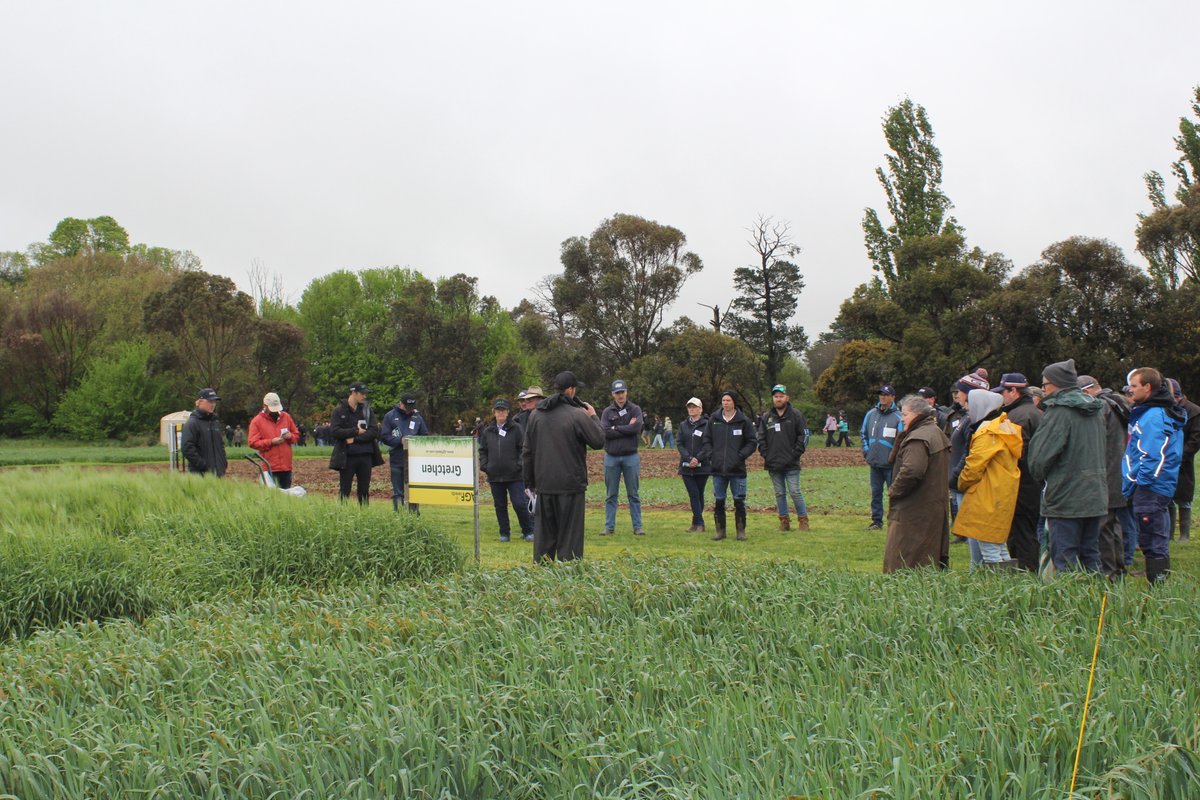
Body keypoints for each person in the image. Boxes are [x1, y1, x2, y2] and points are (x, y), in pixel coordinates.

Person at [1027, 359, 1107, 572]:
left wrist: (1040, 476)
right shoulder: (1096, 410)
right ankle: (1096, 602)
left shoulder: (1059, 412)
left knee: (1064, 556)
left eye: (1044, 385)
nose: (1043, 389)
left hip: (1065, 496)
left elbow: (1039, 459)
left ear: (1056, 384)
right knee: (1090, 554)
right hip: (1095, 493)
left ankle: (1067, 603)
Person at [522, 371, 606, 561]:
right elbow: (599, 440)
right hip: (571, 486)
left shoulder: (536, 415)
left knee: (544, 540)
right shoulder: (577, 414)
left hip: (544, 485)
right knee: (570, 540)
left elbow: (527, 452)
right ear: (569, 390)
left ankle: (542, 579)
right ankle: (568, 580)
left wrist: (530, 484)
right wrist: (593, 416)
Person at [1123, 367, 1186, 584]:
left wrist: (1142, 482)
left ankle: (1158, 587)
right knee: (1151, 534)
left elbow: (1153, 454)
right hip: (1153, 485)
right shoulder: (1152, 412)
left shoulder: (1153, 416)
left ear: (1147, 387)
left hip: (1151, 487)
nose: (1130, 391)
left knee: (1152, 537)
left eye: (1134, 386)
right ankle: (1158, 583)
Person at [951, 389, 1021, 569]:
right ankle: (1009, 585)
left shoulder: (987, 434)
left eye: (971, 405)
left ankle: (993, 587)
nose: (968, 409)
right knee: (999, 544)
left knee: (988, 546)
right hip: (1002, 492)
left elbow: (973, 467)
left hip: (986, 494)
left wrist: (959, 483)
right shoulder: (1005, 428)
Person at [883, 394, 951, 572]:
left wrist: (893, 491)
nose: (902, 419)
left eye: (905, 414)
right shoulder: (934, 431)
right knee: (928, 559)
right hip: (931, 505)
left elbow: (912, 471)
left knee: (904, 561)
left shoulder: (919, 438)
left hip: (915, 509)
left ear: (917, 414)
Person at [1079, 375, 1133, 579]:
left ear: (1086, 391)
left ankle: (1109, 572)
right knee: (1113, 524)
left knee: (1102, 526)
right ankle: (1118, 568)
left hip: (1106, 472)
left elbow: (1094, 440)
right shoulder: (1117, 402)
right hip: (1118, 471)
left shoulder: (1101, 407)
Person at [995, 372, 1043, 571]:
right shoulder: (1035, 412)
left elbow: (1015, 454)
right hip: (1034, 482)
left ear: (1013, 391)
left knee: (1021, 533)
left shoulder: (1017, 416)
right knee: (1027, 531)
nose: (1002, 397)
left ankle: (1026, 573)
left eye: (1004, 392)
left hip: (1021, 483)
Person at [702, 390, 758, 540]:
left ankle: (741, 531)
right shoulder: (714, 420)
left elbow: (752, 442)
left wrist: (740, 456)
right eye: (723, 400)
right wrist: (711, 456)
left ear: (734, 402)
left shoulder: (743, 421)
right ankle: (720, 531)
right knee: (719, 500)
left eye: (728, 400)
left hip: (737, 470)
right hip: (718, 469)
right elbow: (706, 440)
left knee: (739, 501)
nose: (725, 403)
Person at [479, 398, 534, 542]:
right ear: (494, 412)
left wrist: (519, 465)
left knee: (519, 504)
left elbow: (523, 448)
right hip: (495, 476)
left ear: (508, 412)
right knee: (500, 506)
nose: (501, 413)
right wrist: (485, 466)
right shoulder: (488, 430)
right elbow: (483, 450)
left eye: (503, 410)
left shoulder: (516, 428)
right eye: (498, 410)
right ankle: (504, 533)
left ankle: (528, 531)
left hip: (514, 475)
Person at [758, 384, 810, 531]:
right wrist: (765, 454)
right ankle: (784, 521)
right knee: (779, 493)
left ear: (787, 397)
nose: (778, 399)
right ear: (773, 398)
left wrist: (795, 453)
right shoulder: (767, 417)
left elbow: (804, 435)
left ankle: (803, 520)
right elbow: (760, 437)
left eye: (781, 396)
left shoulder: (796, 415)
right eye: (776, 396)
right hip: (773, 463)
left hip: (791, 463)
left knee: (794, 491)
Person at [599, 379, 645, 536]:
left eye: (622, 392)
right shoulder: (607, 412)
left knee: (633, 494)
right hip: (611, 457)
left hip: (631, 457)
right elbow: (605, 431)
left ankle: (638, 526)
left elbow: (636, 428)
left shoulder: (635, 409)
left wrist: (616, 427)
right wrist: (626, 428)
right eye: (617, 393)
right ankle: (609, 527)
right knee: (611, 494)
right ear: (613, 394)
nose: (620, 396)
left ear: (626, 392)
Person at [328, 381, 383, 505]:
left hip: (366, 455)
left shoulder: (367, 411)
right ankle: (342, 515)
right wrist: (355, 431)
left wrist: (355, 438)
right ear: (353, 393)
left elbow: (374, 431)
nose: (364, 396)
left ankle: (364, 515)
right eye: (362, 394)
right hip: (347, 456)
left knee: (364, 490)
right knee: (345, 489)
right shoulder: (339, 411)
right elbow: (335, 432)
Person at [861, 385, 902, 530]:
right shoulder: (871, 414)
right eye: (881, 394)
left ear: (893, 397)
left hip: (891, 464)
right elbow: (863, 434)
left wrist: (894, 457)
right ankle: (876, 521)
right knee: (876, 493)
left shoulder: (899, 417)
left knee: (894, 493)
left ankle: (895, 521)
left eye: (886, 394)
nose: (882, 397)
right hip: (875, 463)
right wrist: (867, 452)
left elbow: (901, 439)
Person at [381, 391, 430, 513]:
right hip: (397, 459)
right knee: (398, 491)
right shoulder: (390, 416)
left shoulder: (417, 417)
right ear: (401, 404)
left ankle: (414, 516)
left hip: (414, 461)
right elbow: (385, 436)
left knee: (413, 491)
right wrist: (400, 441)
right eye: (407, 407)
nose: (409, 410)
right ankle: (399, 516)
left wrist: (417, 442)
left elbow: (424, 435)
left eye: (411, 408)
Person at [1166, 378, 1199, 542]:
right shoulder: (1166, 410)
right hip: (1167, 460)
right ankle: (1170, 534)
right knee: (1168, 499)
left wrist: (1180, 455)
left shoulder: (1194, 411)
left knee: (1184, 499)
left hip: (1184, 463)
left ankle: (1184, 535)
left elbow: (1195, 439)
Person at [247, 391, 298, 489]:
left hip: (286, 467)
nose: (274, 411)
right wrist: (271, 442)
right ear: (264, 406)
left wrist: (290, 436)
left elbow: (296, 435)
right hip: (269, 467)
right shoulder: (257, 421)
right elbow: (252, 442)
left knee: (286, 495)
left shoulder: (286, 417)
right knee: (271, 497)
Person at [677, 397, 710, 532]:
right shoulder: (683, 425)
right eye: (690, 407)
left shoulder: (707, 425)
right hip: (686, 466)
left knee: (699, 494)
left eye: (694, 407)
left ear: (700, 409)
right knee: (693, 494)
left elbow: (708, 445)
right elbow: (679, 443)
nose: (692, 409)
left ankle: (696, 523)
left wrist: (698, 459)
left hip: (703, 466)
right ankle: (699, 523)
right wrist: (689, 458)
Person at [180, 388, 228, 478]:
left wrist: (223, 463)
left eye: (214, 401)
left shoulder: (215, 423)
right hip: (200, 476)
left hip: (218, 473)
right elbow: (187, 447)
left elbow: (221, 445)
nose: (213, 404)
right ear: (200, 402)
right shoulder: (192, 423)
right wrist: (203, 466)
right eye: (210, 401)